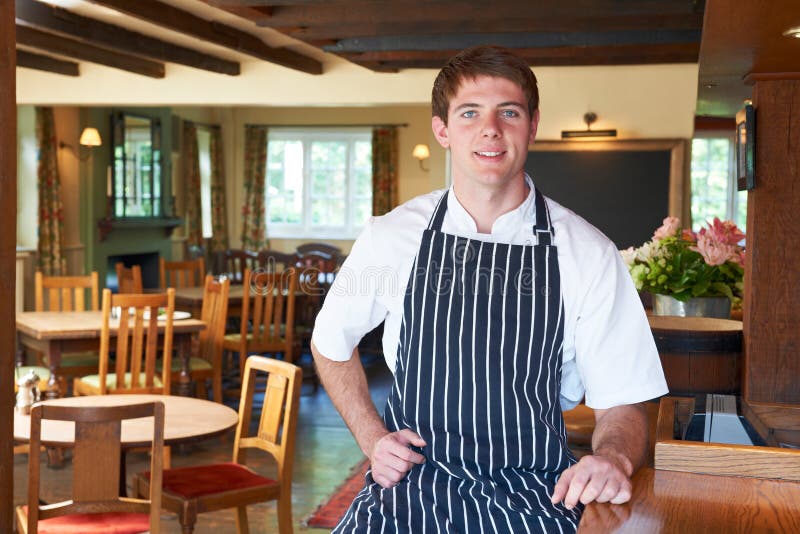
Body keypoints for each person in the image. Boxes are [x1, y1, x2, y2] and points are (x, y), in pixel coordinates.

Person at [311, 45, 668, 533]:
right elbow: (330, 343)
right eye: (470, 113)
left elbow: (625, 398)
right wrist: (372, 439)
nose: (490, 130)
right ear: (442, 130)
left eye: (509, 112)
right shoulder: (392, 236)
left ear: (533, 124)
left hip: (535, 495)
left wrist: (612, 459)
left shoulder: (588, 252)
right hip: (411, 492)